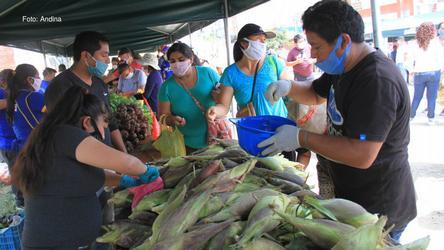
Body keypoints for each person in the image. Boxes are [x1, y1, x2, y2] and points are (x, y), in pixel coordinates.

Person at [260, 0, 416, 243]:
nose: (311, 54)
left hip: (379, 208)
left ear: (343, 41)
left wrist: (302, 138)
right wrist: (288, 87)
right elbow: (315, 93)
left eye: (316, 46)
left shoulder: (375, 80)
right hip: (354, 197)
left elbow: (362, 154)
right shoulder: (343, 67)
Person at [12, 86, 159, 249]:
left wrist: (124, 180)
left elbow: (87, 175)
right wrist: (147, 171)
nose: (104, 130)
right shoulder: (67, 135)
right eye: (104, 123)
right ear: (87, 122)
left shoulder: (55, 137)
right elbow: (129, 163)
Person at [44, 31, 127, 153]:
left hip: (107, 157)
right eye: (104, 55)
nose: (108, 61)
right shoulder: (60, 87)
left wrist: (124, 154)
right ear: (85, 56)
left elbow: (111, 123)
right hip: (82, 163)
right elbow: (63, 134)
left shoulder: (99, 84)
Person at [207, 23, 291, 120]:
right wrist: (215, 110)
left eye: (264, 40)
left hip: (279, 127)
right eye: (258, 39)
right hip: (251, 131)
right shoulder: (230, 73)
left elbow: (290, 89)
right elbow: (224, 107)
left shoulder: (273, 63)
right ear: (243, 43)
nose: (262, 44)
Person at [158, 42, 220, 152]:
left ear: (191, 59)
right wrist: (172, 119)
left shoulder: (208, 74)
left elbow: (225, 99)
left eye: (181, 60)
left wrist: (219, 97)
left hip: (217, 138)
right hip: (186, 145)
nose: (177, 64)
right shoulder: (166, 87)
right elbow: (163, 116)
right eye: (172, 61)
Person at [5, 64, 44, 207]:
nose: (39, 80)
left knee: (33, 187)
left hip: (24, 148)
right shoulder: (32, 97)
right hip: (38, 148)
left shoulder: (15, 98)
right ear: (29, 79)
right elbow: (56, 112)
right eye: (37, 76)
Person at [410, 22, 443, 124]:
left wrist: (412, 70)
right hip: (434, 72)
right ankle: (431, 118)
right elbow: (441, 58)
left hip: (419, 73)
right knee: (432, 97)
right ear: (432, 30)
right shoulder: (436, 43)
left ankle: (411, 116)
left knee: (417, 96)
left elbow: (410, 59)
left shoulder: (415, 43)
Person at [0, 69, 16, 186]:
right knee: (16, 172)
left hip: (15, 139)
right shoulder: (3, 93)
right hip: (7, 141)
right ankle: (20, 201)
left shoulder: (9, 92)